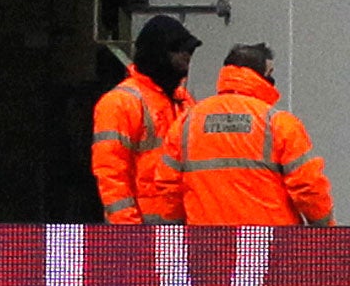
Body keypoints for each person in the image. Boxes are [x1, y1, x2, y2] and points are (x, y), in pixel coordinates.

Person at [143, 42, 333, 227]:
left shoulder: (186, 124)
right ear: (261, 75)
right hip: (267, 247)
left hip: (208, 247)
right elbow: (308, 186)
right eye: (270, 74)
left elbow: (168, 187)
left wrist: (174, 233)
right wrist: (326, 230)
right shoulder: (278, 124)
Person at [91, 13, 201, 225]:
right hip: (141, 229)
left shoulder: (183, 101)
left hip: (180, 228)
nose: (187, 57)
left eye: (189, 51)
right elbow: (111, 174)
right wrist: (129, 231)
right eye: (179, 50)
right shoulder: (120, 103)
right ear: (159, 53)